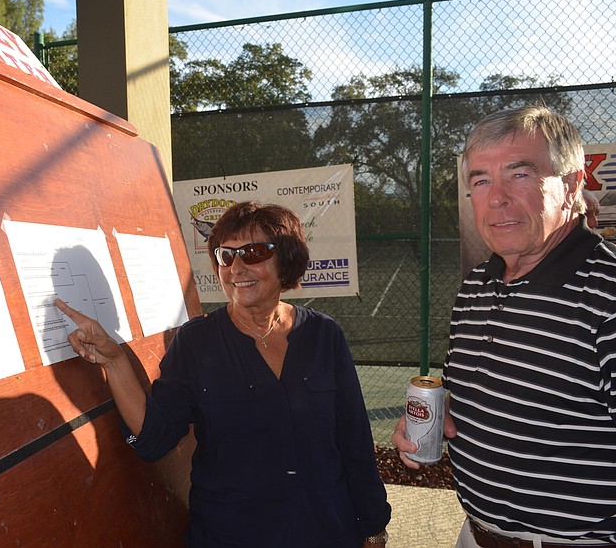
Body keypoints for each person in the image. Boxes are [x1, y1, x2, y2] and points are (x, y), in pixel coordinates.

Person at [56, 201, 391, 548]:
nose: (237, 268)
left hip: (325, 530)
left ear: (286, 259)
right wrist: (114, 362)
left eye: (254, 252)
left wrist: (373, 526)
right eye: (225, 256)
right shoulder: (195, 343)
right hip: (231, 534)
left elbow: (354, 439)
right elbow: (155, 439)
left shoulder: (324, 335)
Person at [392, 106, 616, 548]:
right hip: (476, 534)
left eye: (520, 174)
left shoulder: (615, 294)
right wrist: (430, 418)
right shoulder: (478, 284)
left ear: (573, 185)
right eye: (480, 180)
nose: (496, 197)